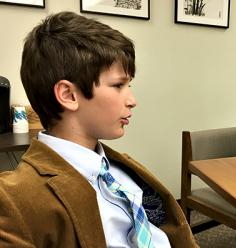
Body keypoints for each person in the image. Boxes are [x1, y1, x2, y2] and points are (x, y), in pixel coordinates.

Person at [0, 12, 197, 248]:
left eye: (129, 85)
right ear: (69, 95)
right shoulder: (15, 199)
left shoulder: (121, 168)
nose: (132, 100)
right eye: (118, 85)